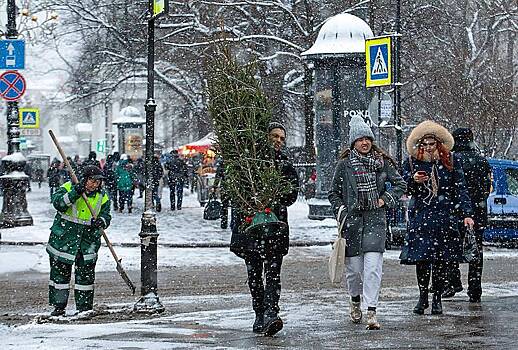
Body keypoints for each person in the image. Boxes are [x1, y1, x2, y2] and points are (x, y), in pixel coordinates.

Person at [328, 115, 406, 330]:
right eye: (360, 139)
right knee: (354, 271)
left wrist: (385, 200)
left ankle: (371, 311)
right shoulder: (344, 165)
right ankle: (355, 300)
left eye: (368, 139)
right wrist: (341, 210)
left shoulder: (381, 163)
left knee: (373, 269)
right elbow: (333, 193)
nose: (365, 143)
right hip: (352, 224)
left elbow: (400, 184)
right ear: (353, 142)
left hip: (375, 222)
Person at [230, 122, 299, 336]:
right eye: (275, 136)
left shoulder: (285, 165)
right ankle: (259, 312)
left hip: (275, 228)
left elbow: (291, 195)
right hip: (250, 228)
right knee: (254, 274)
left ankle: (271, 313)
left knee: (273, 273)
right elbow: (233, 191)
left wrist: (275, 197)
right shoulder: (248, 164)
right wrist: (254, 202)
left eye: (282, 138)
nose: (278, 141)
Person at [400, 120, 474, 316]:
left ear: (439, 144)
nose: (428, 148)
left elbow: (461, 188)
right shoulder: (411, 161)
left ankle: (437, 298)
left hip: (444, 216)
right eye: (424, 144)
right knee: (422, 259)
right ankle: (423, 295)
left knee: (442, 260)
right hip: (421, 216)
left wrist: (467, 214)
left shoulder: (451, 160)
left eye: (432, 144)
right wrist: (413, 180)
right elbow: (403, 187)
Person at [46, 165, 111, 316]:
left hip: (87, 242)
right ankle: (59, 306)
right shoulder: (68, 187)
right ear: (84, 179)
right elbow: (59, 204)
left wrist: (101, 221)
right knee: (60, 276)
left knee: (85, 278)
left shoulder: (103, 196)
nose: (95, 184)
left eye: (98, 182)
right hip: (64, 239)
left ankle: (84, 308)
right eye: (92, 181)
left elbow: (107, 215)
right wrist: (76, 192)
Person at [442, 128, 491, 302]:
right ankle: (475, 288)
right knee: (475, 250)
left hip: (455, 211)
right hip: (478, 213)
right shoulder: (482, 161)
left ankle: (453, 282)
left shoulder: (451, 160)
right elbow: (486, 189)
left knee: (451, 248)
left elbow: (448, 188)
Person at [213, 157, 230, 229]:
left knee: (224, 206)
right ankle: (234, 223)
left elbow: (217, 178)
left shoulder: (221, 166)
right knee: (234, 208)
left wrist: (215, 188)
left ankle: (224, 223)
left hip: (225, 188)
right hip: (231, 188)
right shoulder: (232, 165)